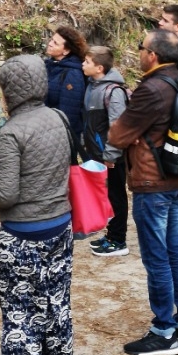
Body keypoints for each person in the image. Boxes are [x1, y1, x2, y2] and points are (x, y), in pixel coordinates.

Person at [0, 55, 78, 355]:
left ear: (9, 91)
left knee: (19, 315)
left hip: (22, 235)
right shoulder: (59, 118)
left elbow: (6, 193)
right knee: (57, 307)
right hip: (60, 226)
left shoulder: (11, 133)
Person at [109, 30, 178, 355]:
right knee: (175, 252)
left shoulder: (152, 89)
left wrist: (132, 134)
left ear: (153, 55)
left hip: (152, 182)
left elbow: (117, 134)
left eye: (141, 47)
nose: (139, 53)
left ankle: (163, 331)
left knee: (157, 256)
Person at [80, 46, 131, 257]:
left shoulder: (113, 92)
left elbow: (117, 126)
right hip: (97, 153)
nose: (83, 64)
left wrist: (111, 154)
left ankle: (119, 240)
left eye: (87, 62)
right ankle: (111, 235)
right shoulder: (92, 86)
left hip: (111, 157)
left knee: (116, 195)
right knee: (107, 195)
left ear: (99, 68)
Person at [44, 25, 88, 142]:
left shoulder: (73, 74)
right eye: (51, 40)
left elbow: (69, 113)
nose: (50, 44)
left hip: (61, 136)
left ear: (66, 51)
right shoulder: (49, 65)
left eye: (55, 43)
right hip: (46, 129)